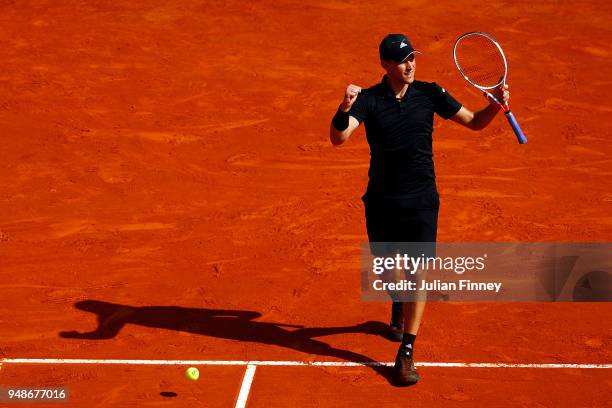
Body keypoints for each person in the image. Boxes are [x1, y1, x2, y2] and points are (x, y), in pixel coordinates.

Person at [329, 34, 509, 385]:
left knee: (418, 274)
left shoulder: (430, 93)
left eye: (412, 58)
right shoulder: (367, 100)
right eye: (402, 60)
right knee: (385, 273)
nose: (410, 65)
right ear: (385, 64)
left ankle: (406, 352)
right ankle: (398, 302)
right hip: (381, 201)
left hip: (422, 200)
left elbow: (473, 122)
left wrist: (495, 106)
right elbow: (338, 138)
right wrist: (345, 107)